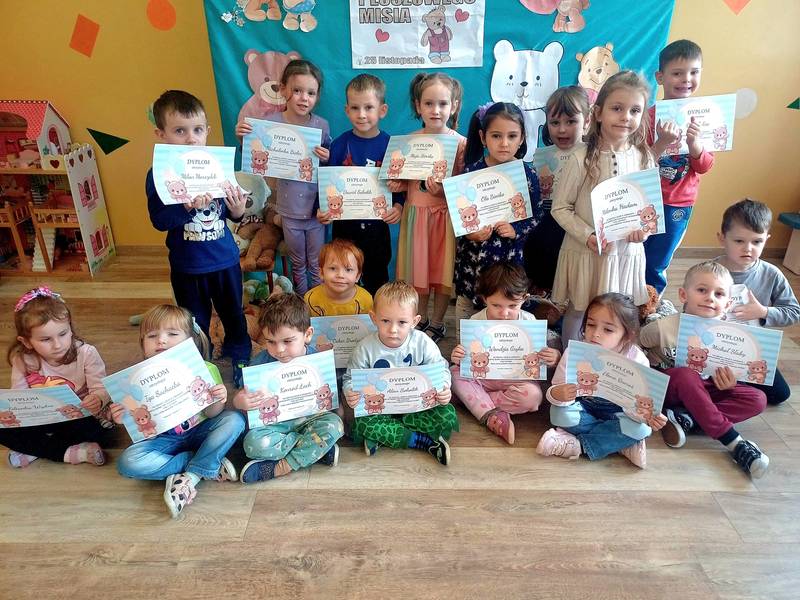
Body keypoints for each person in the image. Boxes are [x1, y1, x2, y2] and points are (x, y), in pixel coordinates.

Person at [146, 90, 251, 387]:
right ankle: (201, 365)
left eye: (197, 130)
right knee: (194, 321)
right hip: (187, 266)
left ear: (207, 131)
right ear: (161, 134)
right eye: (180, 131)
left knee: (233, 314)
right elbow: (159, 221)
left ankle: (240, 355)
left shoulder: (216, 167)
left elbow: (232, 215)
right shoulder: (159, 174)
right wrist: (185, 207)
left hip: (225, 261)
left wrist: (238, 209)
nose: (191, 139)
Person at [551, 71, 655, 343]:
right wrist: (588, 236)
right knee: (580, 309)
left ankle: (613, 359)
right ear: (597, 113)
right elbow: (560, 208)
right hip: (586, 251)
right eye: (617, 108)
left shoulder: (644, 158)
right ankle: (570, 358)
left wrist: (643, 232)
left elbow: (649, 212)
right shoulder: (580, 158)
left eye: (634, 110)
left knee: (618, 313)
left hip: (624, 253)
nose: (625, 117)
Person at [112, 305, 245, 517]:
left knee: (234, 420)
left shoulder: (206, 369)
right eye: (152, 336)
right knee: (128, 462)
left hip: (200, 431)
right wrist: (122, 416)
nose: (161, 341)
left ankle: (192, 474)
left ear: (190, 340)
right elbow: (140, 425)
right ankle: (202, 462)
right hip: (164, 440)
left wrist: (218, 398)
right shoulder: (134, 379)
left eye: (172, 334)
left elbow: (213, 414)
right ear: (143, 344)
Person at [639, 261, 769, 478]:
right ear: (683, 295)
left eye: (719, 294)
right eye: (702, 290)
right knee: (686, 375)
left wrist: (730, 384)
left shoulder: (733, 336)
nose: (710, 298)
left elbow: (735, 372)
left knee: (758, 399)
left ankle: (687, 418)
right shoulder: (662, 328)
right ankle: (734, 442)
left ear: (728, 303)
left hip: (706, 388)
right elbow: (636, 347)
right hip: (670, 387)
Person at [538, 293, 667, 468]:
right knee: (558, 414)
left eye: (608, 330)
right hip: (584, 407)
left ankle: (579, 446)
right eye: (591, 325)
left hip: (619, 414)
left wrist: (649, 416)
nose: (596, 334)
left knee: (643, 429)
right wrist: (558, 394)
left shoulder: (637, 360)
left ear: (627, 335)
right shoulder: (575, 352)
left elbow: (640, 407)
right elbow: (555, 391)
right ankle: (620, 443)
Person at [237, 59, 332, 295]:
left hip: (316, 209)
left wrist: (327, 157)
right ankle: (300, 302)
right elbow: (255, 155)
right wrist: (244, 138)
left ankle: (315, 303)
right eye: (297, 90)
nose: (304, 98)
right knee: (297, 262)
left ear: (317, 96)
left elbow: (331, 167)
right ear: (283, 89)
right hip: (288, 209)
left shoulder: (322, 125)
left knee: (316, 263)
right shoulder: (269, 124)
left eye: (311, 93)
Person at [342, 281, 458, 464]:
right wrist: (350, 391)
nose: (393, 329)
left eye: (402, 322)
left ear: (415, 322)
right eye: (385, 321)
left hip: (416, 406)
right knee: (360, 423)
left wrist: (443, 387)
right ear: (373, 318)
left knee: (447, 413)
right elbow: (350, 378)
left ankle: (386, 435)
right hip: (379, 410)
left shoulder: (423, 343)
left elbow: (441, 369)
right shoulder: (364, 348)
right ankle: (421, 440)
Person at [233, 293, 344, 483]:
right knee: (252, 444)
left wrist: (336, 406)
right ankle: (314, 449)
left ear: (307, 335)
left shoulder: (317, 361)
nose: (279, 350)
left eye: (287, 341)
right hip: (275, 426)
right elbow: (243, 395)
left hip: (310, 419)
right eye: (270, 341)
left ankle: (280, 467)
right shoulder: (260, 363)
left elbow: (328, 396)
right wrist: (240, 401)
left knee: (335, 425)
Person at [454, 102, 541, 336]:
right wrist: (470, 233)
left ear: (522, 138)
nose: (504, 143)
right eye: (496, 136)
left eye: (512, 136)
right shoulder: (470, 172)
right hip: (474, 258)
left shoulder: (528, 174)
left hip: (508, 257)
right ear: (483, 137)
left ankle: (504, 347)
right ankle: (464, 346)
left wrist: (516, 230)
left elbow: (537, 215)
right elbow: (459, 217)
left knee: (503, 305)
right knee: (467, 301)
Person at [450, 263, 561, 444]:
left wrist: (553, 357)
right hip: (483, 378)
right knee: (453, 373)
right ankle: (486, 410)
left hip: (516, 380)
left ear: (525, 299)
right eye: (496, 305)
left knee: (533, 397)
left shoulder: (530, 321)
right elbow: (467, 357)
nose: (504, 313)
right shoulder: (476, 321)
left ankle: (476, 403)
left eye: (512, 305)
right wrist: (458, 355)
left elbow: (540, 357)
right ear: (484, 299)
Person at [394, 72, 466, 343]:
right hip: (416, 217)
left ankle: (437, 322)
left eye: (442, 104)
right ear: (418, 106)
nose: (436, 110)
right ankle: (420, 319)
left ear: (454, 106)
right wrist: (397, 184)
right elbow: (405, 181)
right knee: (418, 273)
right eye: (429, 103)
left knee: (442, 274)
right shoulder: (408, 142)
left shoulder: (461, 144)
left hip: (445, 219)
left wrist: (444, 191)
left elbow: (465, 189)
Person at [1, 287, 110, 468]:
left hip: (77, 419)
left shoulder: (86, 353)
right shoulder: (22, 359)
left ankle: (36, 449)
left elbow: (101, 388)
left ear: (70, 328)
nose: (58, 345)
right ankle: (68, 452)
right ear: (26, 341)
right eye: (46, 339)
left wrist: (97, 398)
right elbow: (18, 398)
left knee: (99, 431)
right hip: (41, 420)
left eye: (63, 334)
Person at [317, 74, 403, 295]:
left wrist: (398, 206)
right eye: (355, 108)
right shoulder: (339, 145)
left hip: (377, 231)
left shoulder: (391, 146)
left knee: (377, 280)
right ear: (347, 110)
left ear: (382, 110)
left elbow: (399, 185)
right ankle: (345, 315)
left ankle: (377, 316)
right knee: (342, 279)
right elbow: (327, 184)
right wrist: (322, 209)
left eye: (368, 107)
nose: (361, 114)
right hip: (344, 230)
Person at [644, 40, 714, 294]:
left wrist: (695, 146)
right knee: (636, 252)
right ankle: (626, 299)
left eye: (694, 72)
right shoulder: (647, 116)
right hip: (647, 197)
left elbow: (705, 166)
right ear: (660, 77)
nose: (686, 79)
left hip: (679, 203)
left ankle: (651, 301)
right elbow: (640, 163)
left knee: (659, 258)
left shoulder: (704, 117)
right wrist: (662, 142)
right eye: (677, 73)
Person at [715, 199, 796, 405]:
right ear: (722, 238)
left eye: (757, 242)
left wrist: (763, 312)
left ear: (766, 239)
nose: (748, 248)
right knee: (708, 381)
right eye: (739, 241)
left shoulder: (772, 274)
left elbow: (793, 312)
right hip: (715, 349)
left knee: (780, 394)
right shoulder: (708, 272)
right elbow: (689, 311)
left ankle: (736, 388)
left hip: (753, 350)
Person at [524, 85, 590, 297]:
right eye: (554, 123)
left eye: (571, 122)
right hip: (546, 218)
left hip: (577, 220)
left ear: (587, 122)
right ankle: (542, 293)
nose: (562, 129)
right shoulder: (542, 155)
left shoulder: (592, 154)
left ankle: (563, 298)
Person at [305, 239, 373, 316]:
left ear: (357, 276)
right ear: (321, 273)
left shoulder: (366, 300)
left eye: (348, 270)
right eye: (333, 268)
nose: (340, 275)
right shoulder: (310, 299)